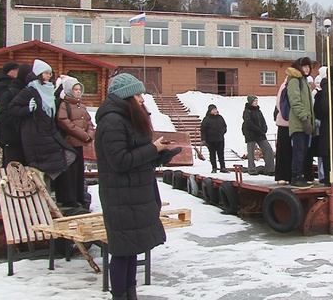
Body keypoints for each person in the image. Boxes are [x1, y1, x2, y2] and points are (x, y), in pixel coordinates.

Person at [95, 73, 181, 300]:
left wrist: (161, 154)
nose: (142, 99)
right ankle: (121, 295)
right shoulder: (112, 121)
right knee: (123, 252)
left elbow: (137, 158)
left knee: (131, 250)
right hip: (121, 196)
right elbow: (120, 161)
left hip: (134, 193)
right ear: (126, 96)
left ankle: (130, 294)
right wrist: (153, 149)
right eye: (138, 94)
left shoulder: (127, 117)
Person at [8, 59, 76, 182]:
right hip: (34, 134)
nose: (49, 76)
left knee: (68, 156)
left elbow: (51, 110)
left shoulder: (49, 89)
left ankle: (44, 187)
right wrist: (27, 109)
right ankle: (41, 191)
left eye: (50, 73)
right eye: (46, 73)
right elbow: (12, 108)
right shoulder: (30, 90)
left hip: (48, 132)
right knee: (43, 166)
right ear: (39, 74)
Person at [56, 76, 95, 208]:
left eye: (79, 89)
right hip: (69, 144)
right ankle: (70, 198)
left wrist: (89, 135)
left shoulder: (81, 106)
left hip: (79, 144)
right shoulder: (64, 105)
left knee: (79, 173)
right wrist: (84, 135)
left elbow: (89, 122)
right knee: (70, 173)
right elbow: (65, 123)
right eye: (75, 89)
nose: (78, 92)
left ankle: (79, 196)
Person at [285, 57, 315, 187]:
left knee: (303, 151)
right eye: (304, 66)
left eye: (309, 67)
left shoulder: (303, 81)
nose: (307, 69)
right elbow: (295, 101)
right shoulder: (294, 81)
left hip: (305, 121)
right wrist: (304, 118)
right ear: (299, 67)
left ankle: (300, 175)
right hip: (299, 123)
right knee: (298, 151)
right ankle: (296, 176)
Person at [0, 64, 31, 166]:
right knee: (13, 171)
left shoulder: (28, 91)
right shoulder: (8, 92)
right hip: (12, 138)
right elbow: (4, 115)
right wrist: (23, 113)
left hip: (25, 138)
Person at [0, 62, 20, 157]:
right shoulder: (2, 86)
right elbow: (3, 105)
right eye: (16, 70)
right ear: (10, 71)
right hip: (6, 125)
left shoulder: (12, 84)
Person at [242, 95, 275, 176]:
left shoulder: (258, 111)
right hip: (251, 134)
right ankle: (251, 169)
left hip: (260, 134)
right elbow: (249, 123)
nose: (256, 102)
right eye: (254, 101)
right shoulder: (247, 111)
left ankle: (270, 169)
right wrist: (259, 130)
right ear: (250, 102)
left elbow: (263, 121)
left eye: (257, 101)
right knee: (251, 152)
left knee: (268, 150)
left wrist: (264, 128)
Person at [274, 77, 292, 182]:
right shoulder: (285, 86)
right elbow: (280, 104)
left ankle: (285, 175)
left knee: (287, 150)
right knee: (283, 150)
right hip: (285, 122)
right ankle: (282, 176)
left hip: (288, 122)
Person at [200, 104, 228, 173]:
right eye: (213, 110)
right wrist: (204, 139)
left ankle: (223, 167)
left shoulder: (220, 117)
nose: (215, 111)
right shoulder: (206, 119)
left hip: (220, 139)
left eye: (215, 109)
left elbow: (224, 126)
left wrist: (223, 132)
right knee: (212, 154)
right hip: (210, 140)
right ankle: (214, 168)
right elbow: (203, 130)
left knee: (221, 154)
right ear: (210, 111)